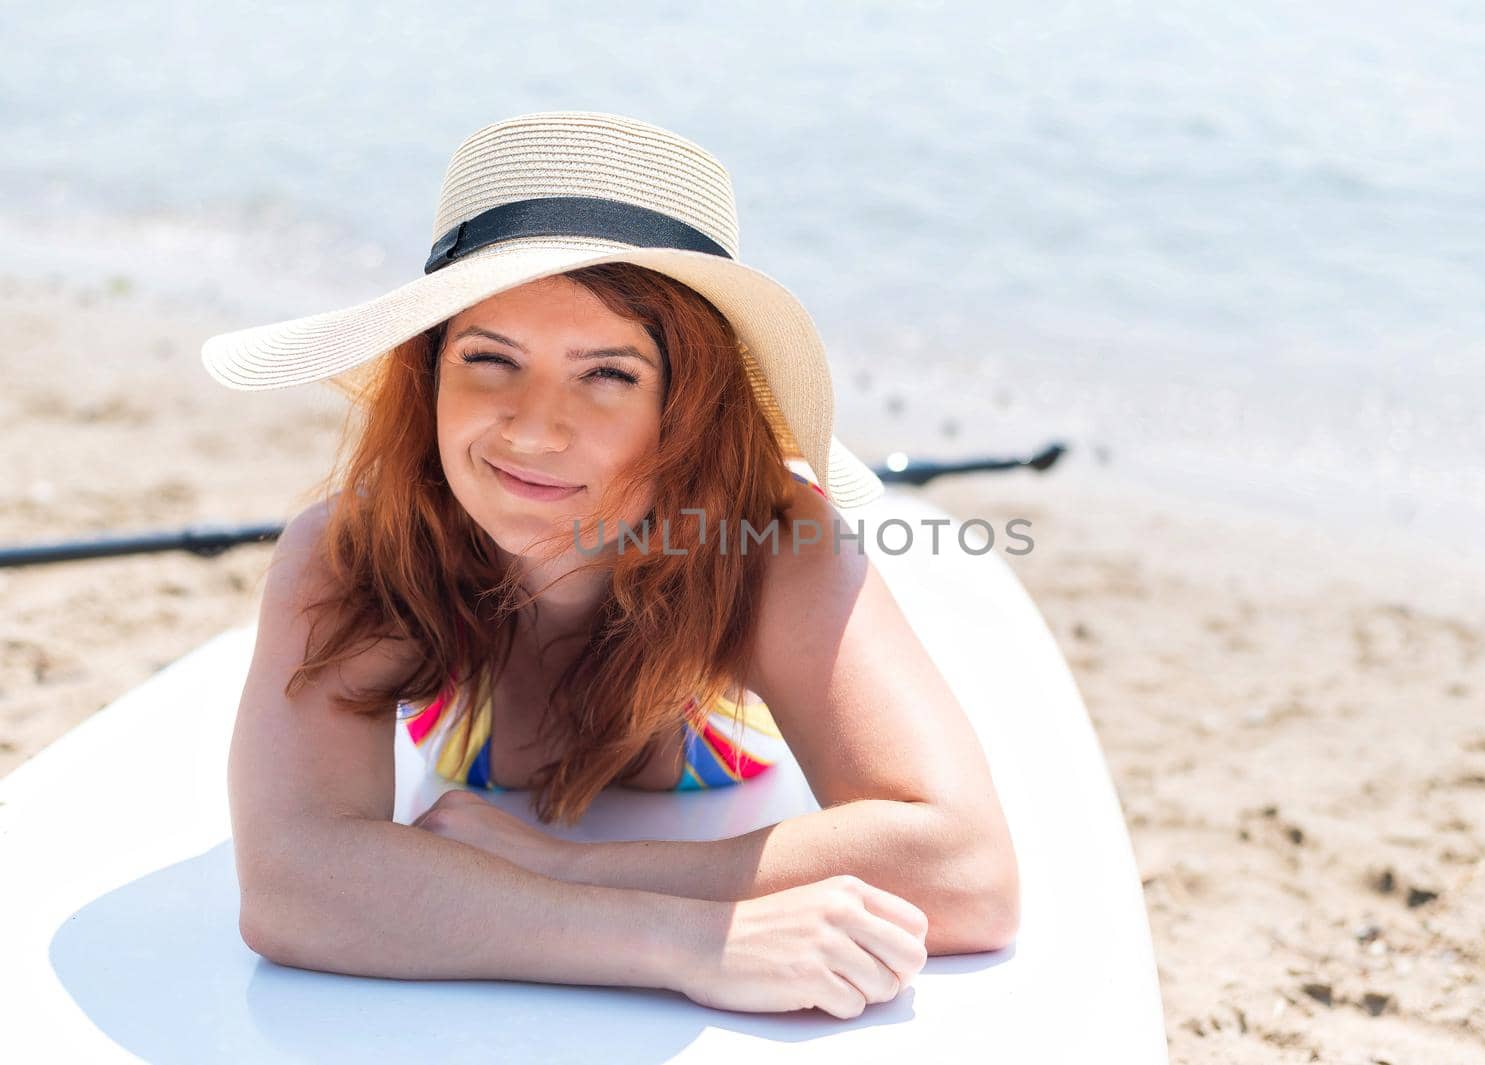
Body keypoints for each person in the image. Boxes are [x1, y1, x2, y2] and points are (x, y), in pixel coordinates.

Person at [206, 111, 1019, 1020]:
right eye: (489, 358)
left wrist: (566, 865)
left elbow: (965, 873)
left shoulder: (770, 547)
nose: (533, 429)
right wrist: (676, 942)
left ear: (689, 408)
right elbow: (293, 883)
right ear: (428, 372)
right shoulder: (359, 552)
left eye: (607, 374)